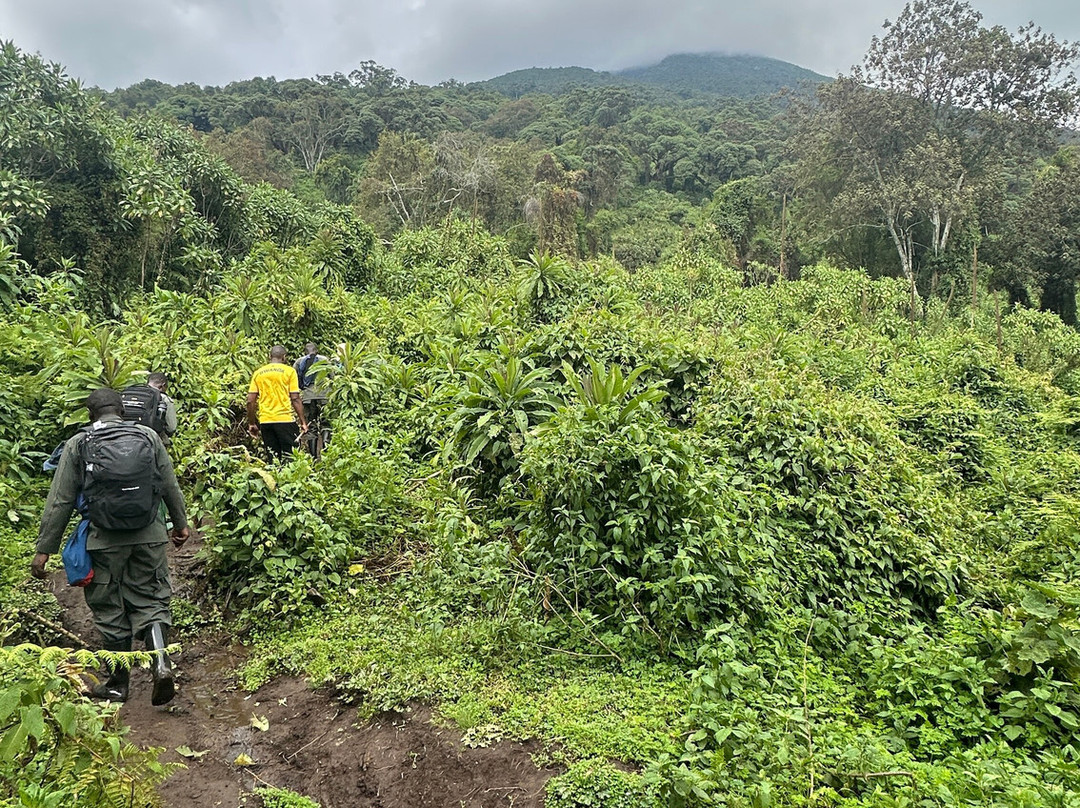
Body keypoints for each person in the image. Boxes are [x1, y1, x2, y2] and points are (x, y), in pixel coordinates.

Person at [30, 388, 190, 705]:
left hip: (103, 539)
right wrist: (180, 524)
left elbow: (60, 500)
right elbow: (169, 483)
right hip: (149, 534)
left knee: (108, 606)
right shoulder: (148, 436)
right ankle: (161, 664)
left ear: (91, 415)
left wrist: (43, 549)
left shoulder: (79, 443)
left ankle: (119, 684)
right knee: (153, 597)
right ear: (122, 411)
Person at [247, 345, 307, 459]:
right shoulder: (289, 372)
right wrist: (303, 421)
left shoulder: (258, 373)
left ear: (269, 356)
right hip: (285, 420)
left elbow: (250, 401)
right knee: (292, 457)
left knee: (273, 457)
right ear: (284, 357)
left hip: (265, 422)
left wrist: (252, 423)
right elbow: (295, 398)